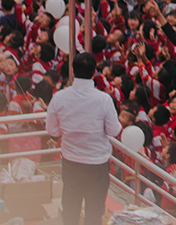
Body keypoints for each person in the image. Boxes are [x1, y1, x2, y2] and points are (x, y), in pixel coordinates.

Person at [46, 54, 120, 225]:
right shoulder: (104, 99)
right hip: (97, 164)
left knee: (70, 209)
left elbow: (52, 130)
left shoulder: (59, 97)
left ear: (73, 71)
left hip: (71, 162)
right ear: (94, 73)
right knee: (94, 212)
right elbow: (114, 130)